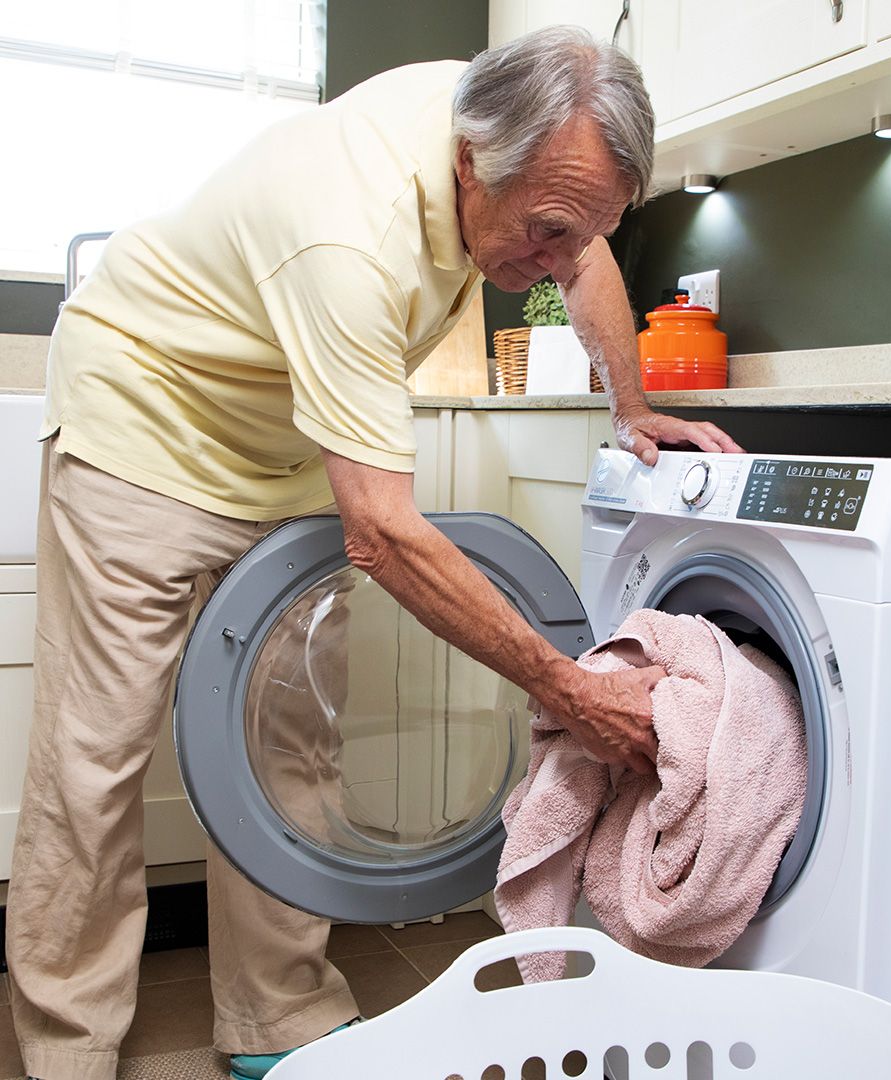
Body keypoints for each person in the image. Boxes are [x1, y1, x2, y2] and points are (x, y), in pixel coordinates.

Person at [5, 24, 741, 1080]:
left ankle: (280, 1020)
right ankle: (66, 1050)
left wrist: (632, 402)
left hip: (285, 444)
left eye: (580, 232)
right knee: (94, 762)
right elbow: (386, 534)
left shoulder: (512, 126)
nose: (556, 262)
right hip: (145, 425)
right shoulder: (351, 231)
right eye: (541, 232)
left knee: (288, 743)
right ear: (467, 166)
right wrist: (569, 689)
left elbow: (585, 266)